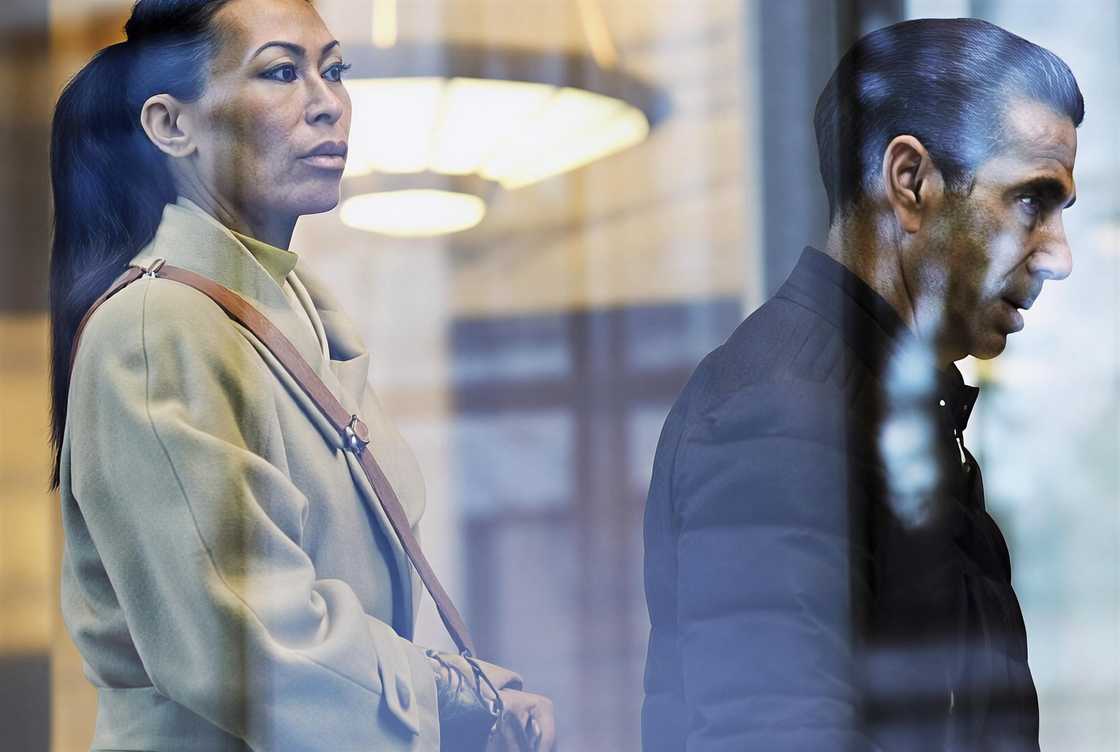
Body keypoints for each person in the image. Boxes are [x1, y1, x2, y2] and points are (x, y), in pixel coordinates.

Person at [48, 1, 555, 750]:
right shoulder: (159, 329)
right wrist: (450, 693)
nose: (327, 104)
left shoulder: (294, 313)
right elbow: (250, 640)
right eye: (281, 72)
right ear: (170, 126)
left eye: (335, 70)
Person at [642, 18, 1081, 752]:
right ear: (910, 184)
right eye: (1032, 200)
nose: (1058, 256)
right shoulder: (782, 411)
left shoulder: (884, 407)